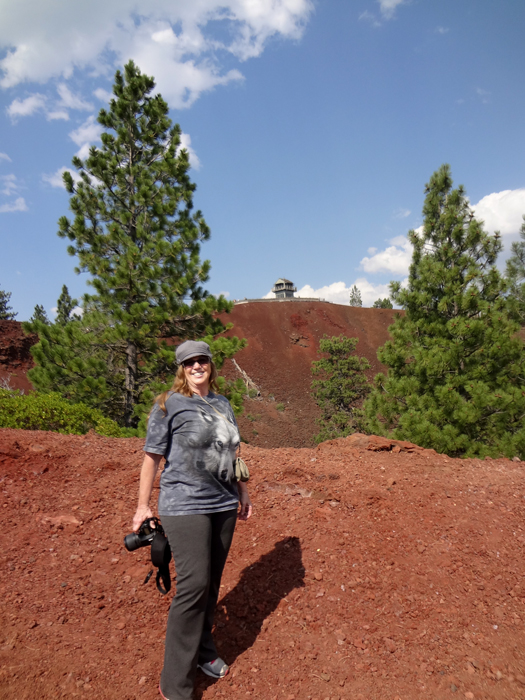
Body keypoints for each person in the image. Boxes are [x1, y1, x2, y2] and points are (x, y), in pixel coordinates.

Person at [132, 340, 252, 700]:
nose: (197, 367)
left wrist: (243, 492)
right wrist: (142, 506)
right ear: (182, 369)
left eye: (202, 360)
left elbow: (233, 451)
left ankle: (203, 651)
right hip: (184, 504)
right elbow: (151, 458)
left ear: (211, 364)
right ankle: (174, 684)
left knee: (211, 582)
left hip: (223, 503)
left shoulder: (222, 403)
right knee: (194, 586)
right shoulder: (169, 405)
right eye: (190, 363)